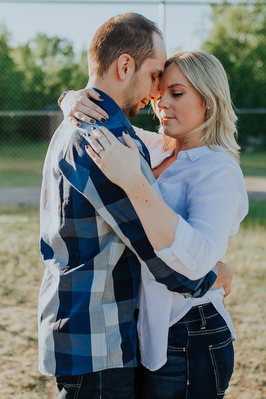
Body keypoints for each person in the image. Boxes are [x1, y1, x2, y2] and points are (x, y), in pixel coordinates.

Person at [38, 14, 229, 399]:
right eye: (156, 75)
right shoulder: (104, 138)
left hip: (91, 333)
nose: (156, 92)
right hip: (96, 339)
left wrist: (68, 96)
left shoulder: (85, 122)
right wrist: (214, 279)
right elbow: (153, 250)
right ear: (125, 65)